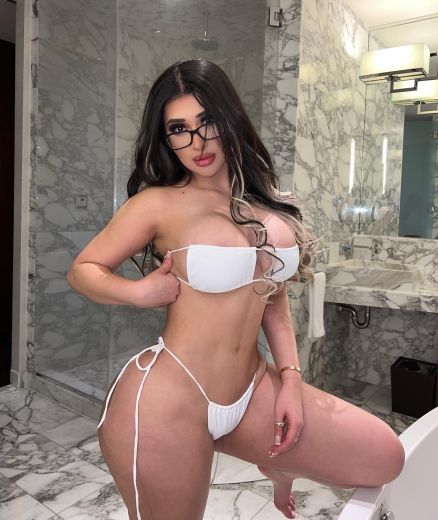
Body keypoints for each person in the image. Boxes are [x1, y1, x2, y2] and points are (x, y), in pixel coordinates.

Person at [66, 58, 405, 520]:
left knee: (383, 456)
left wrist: (291, 380)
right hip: (168, 398)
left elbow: (273, 300)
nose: (197, 142)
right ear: (166, 138)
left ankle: (280, 463)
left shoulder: (268, 202)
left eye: (207, 121)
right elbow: (83, 269)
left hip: (252, 388)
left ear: (230, 118)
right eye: (178, 129)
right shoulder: (157, 204)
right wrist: (138, 292)